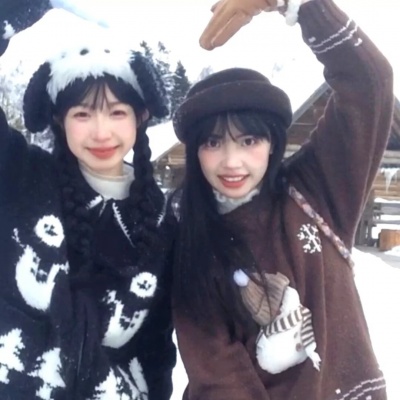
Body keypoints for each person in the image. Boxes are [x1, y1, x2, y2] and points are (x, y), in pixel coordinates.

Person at [171, 0, 394, 399]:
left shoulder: (317, 188)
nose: (231, 161)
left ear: (273, 143)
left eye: (249, 140)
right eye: (213, 142)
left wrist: (303, 6)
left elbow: (369, 83)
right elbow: (220, 378)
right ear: (195, 151)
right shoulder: (191, 240)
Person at [0, 2, 175, 399]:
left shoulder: (161, 223)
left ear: (140, 118)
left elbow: (155, 348)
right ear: (59, 120)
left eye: (117, 112)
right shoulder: (20, 175)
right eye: (82, 114)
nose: (101, 132)